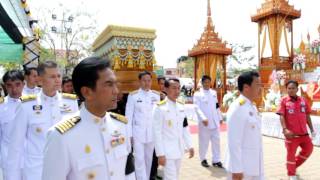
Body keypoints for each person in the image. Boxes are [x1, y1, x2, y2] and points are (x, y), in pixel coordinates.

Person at [41, 57, 130, 180]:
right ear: (87, 92)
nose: (116, 91)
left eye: (115, 84)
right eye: (109, 84)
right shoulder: (60, 136)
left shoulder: (121, 125)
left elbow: (128, 172)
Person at [6, 61, 79, 180]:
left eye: (59, 76)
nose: (57, 80)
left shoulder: (70, 102)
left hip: (64, 172)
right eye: (52, 76)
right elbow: (15, 147)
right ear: (39, 80)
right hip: (37, 172)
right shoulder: (26, 105)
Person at [225, 71, 264, 180]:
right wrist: (236, 169)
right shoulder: (238, 108)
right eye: (257, 85)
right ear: (246, 87)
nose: (260, 88)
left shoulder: (251, 106)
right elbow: (233, 141)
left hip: (254, 164)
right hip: (242, 168)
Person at [152, 78, 194, 180]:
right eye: (174, 88)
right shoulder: (159, 108)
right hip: (167, 152)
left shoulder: (181, 106)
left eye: (178, 88)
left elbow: (184, 127)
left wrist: (190, 145)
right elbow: (156, 133)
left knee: (176, 176)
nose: (177, 91)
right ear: (165, 89)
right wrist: (160, 154)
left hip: (179, 150)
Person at [276, 80, 315, 180]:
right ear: (286, 89)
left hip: (304, 134)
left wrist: (312, 130)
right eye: (289, 88)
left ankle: (292, 167)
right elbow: (281, 116)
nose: (291, 90)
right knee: (291, 155)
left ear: (297, 89)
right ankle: (291, 174)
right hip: (291, 135)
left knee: (308, 150)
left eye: (293, 88)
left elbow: (307, 115)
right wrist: (285, 129)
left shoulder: (303, 100)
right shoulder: (283, 101)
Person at [125, 71, 160, 180]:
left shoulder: (156, 96)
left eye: (149, 80)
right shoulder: (133, 96)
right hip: (137, 133)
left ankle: (146, 177)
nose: (147, 83)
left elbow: (158, 117)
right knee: (139, 159)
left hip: (151, 133)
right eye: (144, 80)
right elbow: (128, 117)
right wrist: (129, 135)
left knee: (149, 159)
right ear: (140, 81)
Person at [193, 75, 223, 168]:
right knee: (204, 141)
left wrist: (220, 116)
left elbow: (217, 106)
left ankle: (216, 160)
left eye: (208, 82)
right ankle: (203, 159)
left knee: (216, 141)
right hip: (204, 122)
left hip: (214, 121)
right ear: (202, 83)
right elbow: (197, 108)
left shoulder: (213, 92)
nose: (207, 84)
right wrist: (203, 118)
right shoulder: (197, 94)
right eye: (205, 82)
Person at [0, 70, 25, 179]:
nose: (14, 89)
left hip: (30, 160)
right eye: (9, 85)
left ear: (23, 84)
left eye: (17, 84)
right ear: (4, 86)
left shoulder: (32, 104)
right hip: (9, 161)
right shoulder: (1, 106)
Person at [150, 75, 166, 180]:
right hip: (153, 129)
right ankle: (153, 174)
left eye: (164, 84)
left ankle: (160, 173)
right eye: (160, 83)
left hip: (164, 130)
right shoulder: (152, 94)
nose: (163, 86)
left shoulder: (166, 95)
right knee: (153, 154)